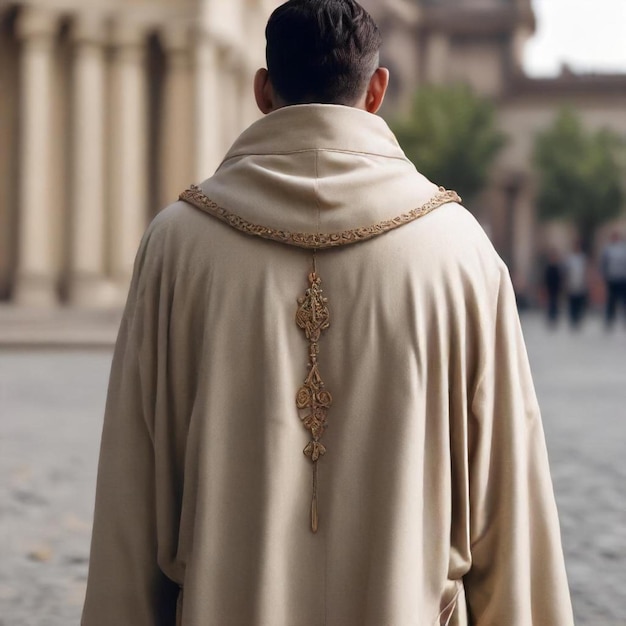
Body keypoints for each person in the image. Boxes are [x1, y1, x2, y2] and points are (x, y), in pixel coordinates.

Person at [82, 1, 574, 624]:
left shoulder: (176, 244)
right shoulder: (461, 250)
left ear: (262, 89)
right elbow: (508, 497)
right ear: (377, 91)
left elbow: (134, 493)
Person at [601, 230, 626, 328]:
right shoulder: (607, 249)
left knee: (624, 300)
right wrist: (605, 275)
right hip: (612, 278)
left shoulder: (623, 248)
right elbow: (604, 263)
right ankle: (609, 320)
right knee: (611, 300)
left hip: (623, 278)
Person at [563, 241, 588, 329]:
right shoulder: (570, 259)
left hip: (581, 284)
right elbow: (566, 271)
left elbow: (586, 271)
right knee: (572, 303)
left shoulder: (582, 258)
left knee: (580, 303)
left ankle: (578, 319)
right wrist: (566, 282)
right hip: (571, 284)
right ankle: (572, 320)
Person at [543, 247, 563, 326]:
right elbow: (546, 279)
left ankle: (554, 318)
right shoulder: (549, 268)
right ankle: (550, 318)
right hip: (550, 289)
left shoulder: (557, 267)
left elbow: (560, 279)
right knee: (550, 304)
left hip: (556, 289)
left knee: (555, 304)